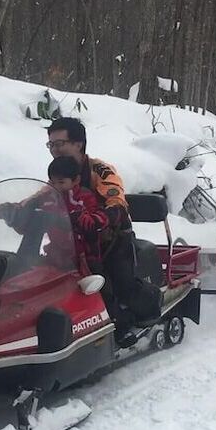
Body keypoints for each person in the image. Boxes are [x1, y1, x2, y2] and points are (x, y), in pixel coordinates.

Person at [46, 117, 156, 346]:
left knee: (120, 284)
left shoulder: (100, 170)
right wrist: (16, 209)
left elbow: (115, 196)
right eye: (51, 144)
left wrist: (109, 213)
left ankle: (139, 313)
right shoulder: (58, 175)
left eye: (59, 144)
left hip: (110, 239)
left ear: (78, 144)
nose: (54, 150)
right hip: (73, 243)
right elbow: (41, 195)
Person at [46, 156, 110, 269]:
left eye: (61, 182)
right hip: (55, 255)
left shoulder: (85, 197)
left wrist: (84, 219)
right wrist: (20, 212)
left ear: (76, 180)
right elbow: (38, 213)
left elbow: (98, 219)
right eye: (53, 182)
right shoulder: (49, 198)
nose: (56, 187)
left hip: (84, 256)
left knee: (97, 275)